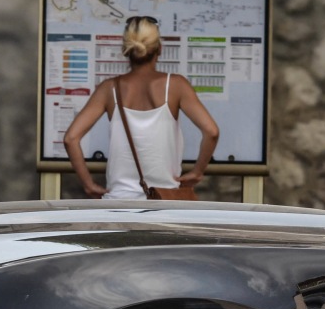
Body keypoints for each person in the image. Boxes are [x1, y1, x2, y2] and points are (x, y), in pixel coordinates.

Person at [63, 16, 218, 199]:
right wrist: (197, 172)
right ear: (159, 49)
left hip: (119, 203)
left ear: (125, 50)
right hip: (165, 200)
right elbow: (211, 132)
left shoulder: (109, 89)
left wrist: (88, 184)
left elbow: (71, 138)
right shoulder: (176, 85)